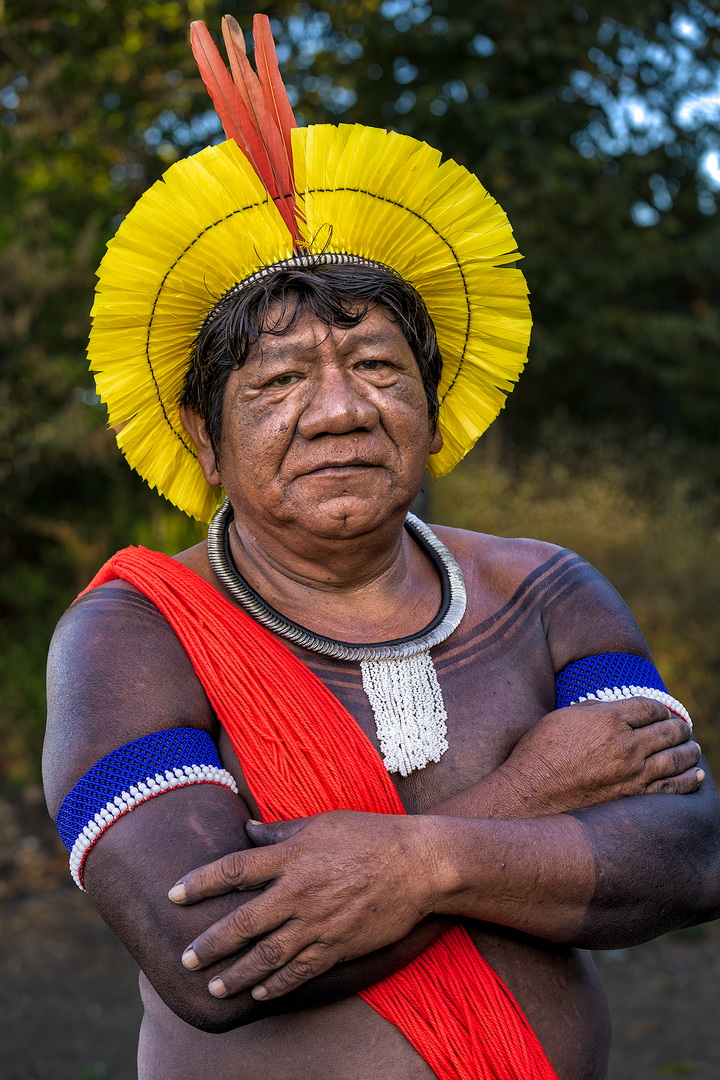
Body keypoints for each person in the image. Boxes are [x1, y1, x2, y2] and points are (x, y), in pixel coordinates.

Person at [43, 15, 720, 1080]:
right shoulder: (132, 635)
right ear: (202, 440)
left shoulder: (545, 589)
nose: (339, 411)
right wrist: (533, 793)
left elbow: (687, 857)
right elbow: (214, 957)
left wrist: (404, 861)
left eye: (377, 366)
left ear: (436, 407)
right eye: (275, 386)